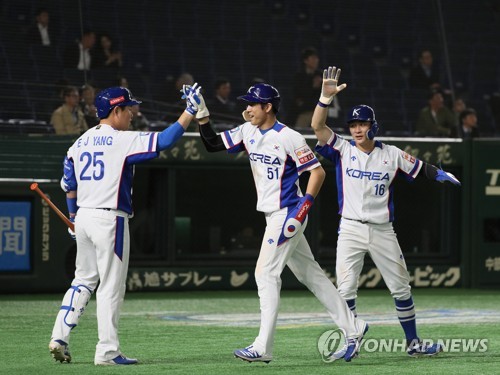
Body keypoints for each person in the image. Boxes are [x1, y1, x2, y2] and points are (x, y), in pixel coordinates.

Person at [192, 82, 368, 363]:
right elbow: (212, 143)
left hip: (288, 212)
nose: (247, 108)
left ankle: (263, 347)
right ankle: (354, 327)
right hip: (273, 214)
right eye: (247, 103)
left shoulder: (289, 137)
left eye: (252, 103)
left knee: (265, 274)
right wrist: (202, 114)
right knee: (310, 274)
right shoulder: (247, 130)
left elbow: (317, 172)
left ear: (268, 107)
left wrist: (303, 209)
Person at [311, 66, 461, 357]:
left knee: (401, 288)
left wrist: (441, 175)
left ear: (373, 126)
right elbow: (318, 127)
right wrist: (324, 98)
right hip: (351, 228)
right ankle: (351, 342)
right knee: (346, 290)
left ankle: (413, 344)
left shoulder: (390, 153)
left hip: (382, 230)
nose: (356, 129)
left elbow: (420, 167)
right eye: (353, 124)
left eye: (362, 124)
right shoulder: (342, 149)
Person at [48, 85, 202, 365]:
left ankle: (60, 336)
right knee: (110, 286)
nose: (133, 113)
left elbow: (69, 186)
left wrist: (72, 218)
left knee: (82, 280)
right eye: (129, 108)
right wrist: (190, 110)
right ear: (116, 110)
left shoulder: (79, 142)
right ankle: (107, 351)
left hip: (83, 216)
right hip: (109, 219)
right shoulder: (121, 140)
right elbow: (165, 141)